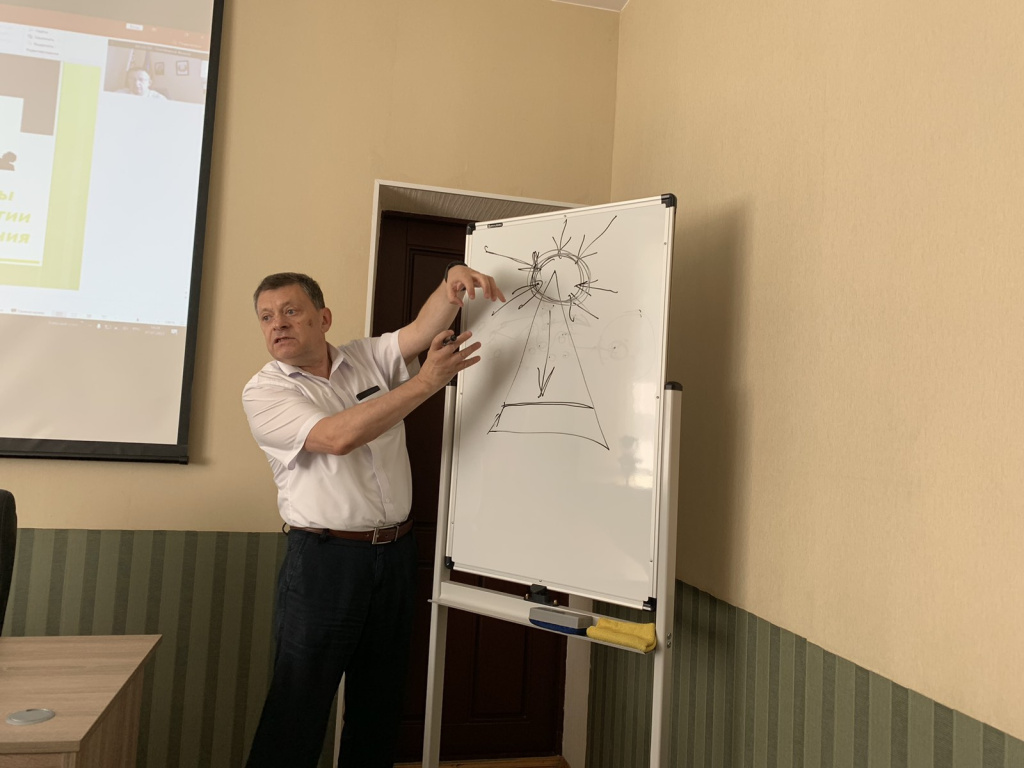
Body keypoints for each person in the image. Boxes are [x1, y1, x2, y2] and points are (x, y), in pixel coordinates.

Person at [242, 266, 505, 767]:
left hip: (395, 556)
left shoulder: (364, 357)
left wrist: (449, 284)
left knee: (378, 708)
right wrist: (425, 383)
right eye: (267, 317)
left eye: (291, 311)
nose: (278, 324)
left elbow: (422, 331)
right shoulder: (264, 392)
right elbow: (337, 437)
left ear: (323, 318)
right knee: (297, 711)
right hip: (324, 562)